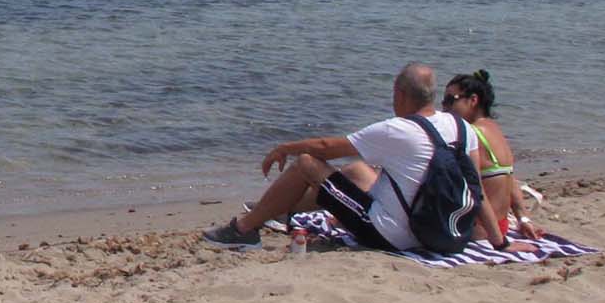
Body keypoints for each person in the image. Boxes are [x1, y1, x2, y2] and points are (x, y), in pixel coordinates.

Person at [203, 63, 480, 252]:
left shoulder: (397, 130)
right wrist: (498, 241)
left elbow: (324, 148)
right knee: (357, 170)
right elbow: (475, 188)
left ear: (400, 94)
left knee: (306, 164)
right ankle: (279, 210)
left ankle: (243, 230)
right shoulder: (461, 127)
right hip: (445, 231)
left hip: (393, 236)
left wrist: (285, 148)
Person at [442, 70, 541, 243]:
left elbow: (477, 191)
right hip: (501, 226)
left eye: (450, 100)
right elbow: (511, 182)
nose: (444, 106)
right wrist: (523, 219)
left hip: (479, 231)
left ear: (473, 100)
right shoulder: (495, 130)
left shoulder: (470, 134)